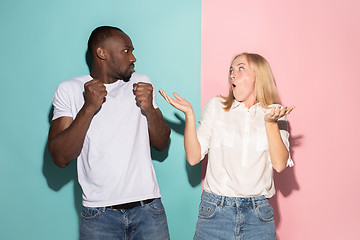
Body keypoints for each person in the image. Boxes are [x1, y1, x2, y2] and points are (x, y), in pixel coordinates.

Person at [48, 26, 171, 240]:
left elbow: (162, 144)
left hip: (149, 209)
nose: (133, 58)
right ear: (102, 53)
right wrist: (88, 108)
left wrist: (149, 109)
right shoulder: (69, 89)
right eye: (126, 51)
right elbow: (60, 157)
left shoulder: (142, 82)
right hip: (99, 215)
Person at [160, 52, 294, 240]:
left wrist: (270, 124)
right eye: (231, 70)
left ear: (259, 76)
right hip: (215, 213)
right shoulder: (217, 106)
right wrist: (189, 115)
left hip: (259, 216)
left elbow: (280, 164)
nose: (233, 74)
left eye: (241, 69)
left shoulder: (276, 112)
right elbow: (193, 157)